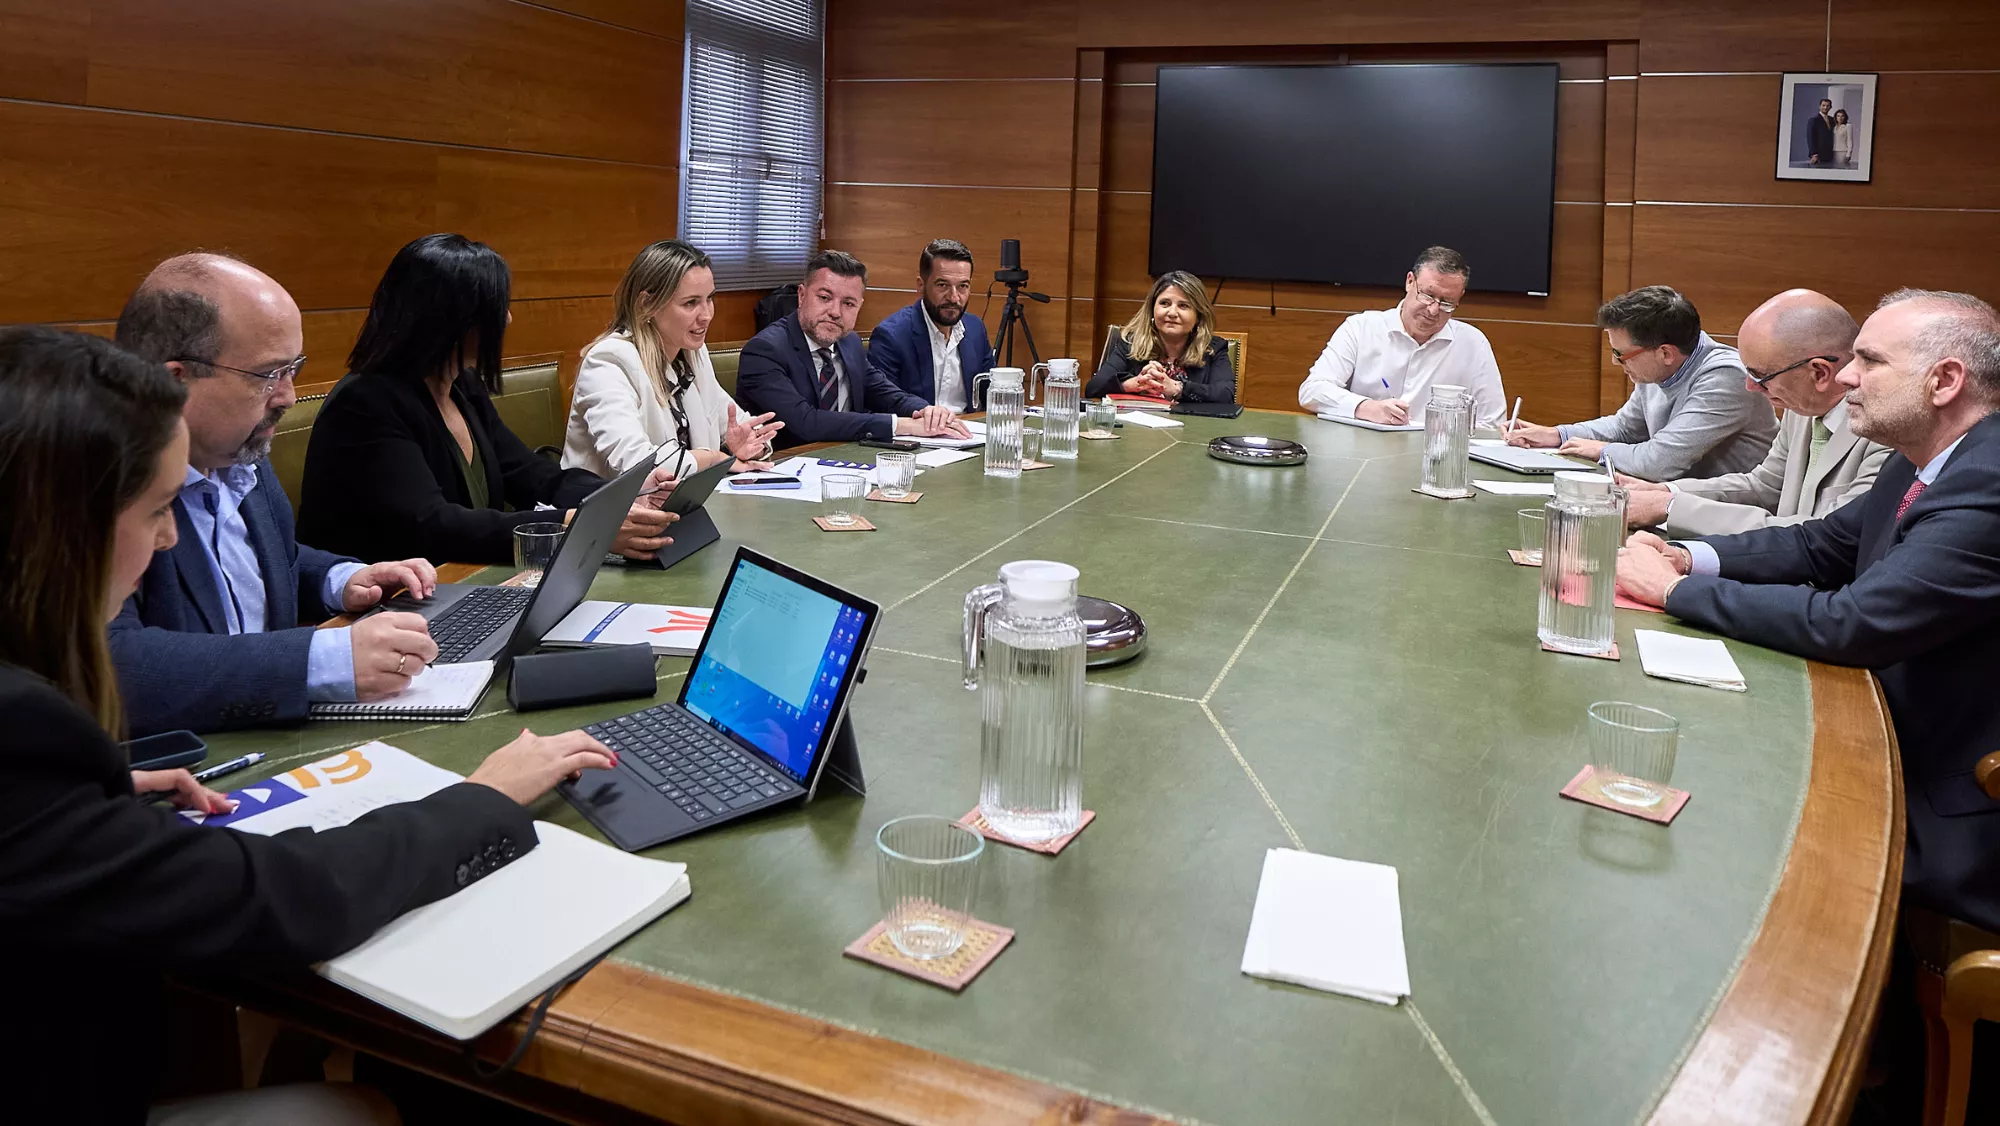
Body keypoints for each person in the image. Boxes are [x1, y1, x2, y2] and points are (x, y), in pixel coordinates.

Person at [0, 325, 617, 1124]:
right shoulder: (22, 737)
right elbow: (288, 897)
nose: (168, 535)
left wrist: (82, 802)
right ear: (58, 527)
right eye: (155, 509)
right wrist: (485, 799)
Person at [1615, 289, 2000, 937]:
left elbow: (1857, 622)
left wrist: (1673, 594)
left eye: (1870, 361)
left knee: (1718, 847)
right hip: (1890, 732)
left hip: (1947, 804)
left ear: (1945, 381)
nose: (1847, 373)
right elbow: (1816, 543)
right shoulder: (1928, 458)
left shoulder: (1985, 480)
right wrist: (1691, 562)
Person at [108, 254, 445, 737]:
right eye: (268, 374)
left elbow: (259, 563)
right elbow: (114, 663)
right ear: (173, 379)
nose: (287, 395)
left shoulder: (241, 452)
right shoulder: (94, 480)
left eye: (293, 368)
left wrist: (339, 578)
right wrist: (320, 660)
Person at [299, 234, 677, 564]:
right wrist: (571, 523)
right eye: (498, 308)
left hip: (458, 579)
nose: (508, 319)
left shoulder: (462, 384)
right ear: (452, 319)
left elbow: (528, 473)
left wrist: (627, 492)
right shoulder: (366, 403)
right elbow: (433, 525)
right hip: (381, 606)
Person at [1619, 288, 1891, 536]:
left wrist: (1670, 508)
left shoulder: (1886, 432)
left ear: (1819, 372)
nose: (1750, 386)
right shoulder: (1802, 406)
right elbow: (1765, 487)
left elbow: (1821, 535)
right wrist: (1665, 492)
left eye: (1761, 375)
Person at [1505, 285, 1776, 480]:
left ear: (1665, 353)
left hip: (1728, 518)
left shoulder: (1726, 377)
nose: (1615, 363)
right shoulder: (1658, 367)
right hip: (1680, 503)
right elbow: (1625, 428)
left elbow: (1660, 462)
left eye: (1621, 355)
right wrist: (1558, 434)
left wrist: (1602, 451)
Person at [562, 239, 782, 479]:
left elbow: (739, 426)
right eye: (691, 303)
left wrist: (742, 446)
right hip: (613, 513)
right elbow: (638, 465)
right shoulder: (608, 362)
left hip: (679, 506)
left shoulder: (692, 354)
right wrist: (714, 458)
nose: (707, 315)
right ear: (647, 304)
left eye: (709, 298)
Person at [736, 250, 968, 448]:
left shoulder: (849, 342)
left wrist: (926, 411)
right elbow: (806, 423)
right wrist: (902, 425)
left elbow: (885, 393)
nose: (836, 312)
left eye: (848, 303)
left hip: (850, 461)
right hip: (786, 470)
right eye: (825, 298)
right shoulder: (765, 351)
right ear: (802, 295)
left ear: (859, 306)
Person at [1297, 245, 1506, 426]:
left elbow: (1492, 423)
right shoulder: (1361, 327)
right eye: (1428, 295)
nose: (1433, 310)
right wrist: (1366, 407)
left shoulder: (1473, 343)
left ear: (1460, 298)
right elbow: (1312, 391)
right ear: (1409, 282)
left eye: (1447, 303)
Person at [866, 238, 998, 412]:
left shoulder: (975, 328)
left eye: (962, 286)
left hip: (969, 431)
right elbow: (883, 403)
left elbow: (992, 393)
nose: (954, 297)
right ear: (921, 285)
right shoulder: (891, 335)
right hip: (919, 433)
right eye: (942, 285)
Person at [1087, 270, 1235, 403]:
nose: (1172, 313)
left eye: (1183, 306)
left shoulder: (1213, 348)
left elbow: (1225, 394)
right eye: (1165, 303)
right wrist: (1132, 384)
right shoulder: (1131, 342)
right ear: (1152, 310)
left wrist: (1178, 388)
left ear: (1198, 316)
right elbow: (1093, 388)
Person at [1808, 97, 1837, 166]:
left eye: (1828, 106)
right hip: (1819, 154)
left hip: (1831, 153)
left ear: (1830, 107)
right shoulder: (1814, 120)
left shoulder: (1832, 120)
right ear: (1819, 106)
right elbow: (1810, 137)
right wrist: (1814, 154)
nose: (1825, 107)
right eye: (1823, 105)